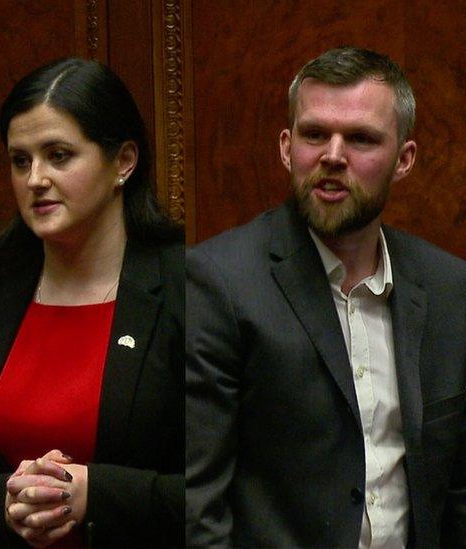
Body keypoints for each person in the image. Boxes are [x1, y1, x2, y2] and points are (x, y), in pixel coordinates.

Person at [186, 46, 466, 547]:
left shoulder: (449, 289)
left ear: (404, 159)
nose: (333, 156)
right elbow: (199, 504)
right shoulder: (220, 283)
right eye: (315, 135)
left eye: (360, 139)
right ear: (286, 147)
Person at [0, 58, 184, 547]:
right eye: (20, 160)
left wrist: (99, 495)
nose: (35, 179)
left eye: (59, 155)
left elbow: (238, 487)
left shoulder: (187, 290)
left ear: (124, 162)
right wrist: (4, 502)